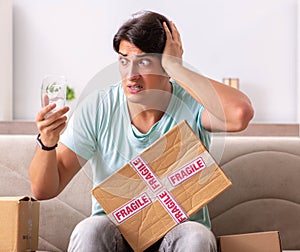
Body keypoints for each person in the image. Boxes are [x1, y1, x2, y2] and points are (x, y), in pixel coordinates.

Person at [30, 10, 254, 252]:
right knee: (89, 230)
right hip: (116, 230)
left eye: (144, 61)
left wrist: (177, 69)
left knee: (197, 236)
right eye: (124, 60)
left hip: (179, 230)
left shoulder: (191, 103)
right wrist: (47, 142)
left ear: (166, 64)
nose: (131, 76)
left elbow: (240, 115)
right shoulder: (99, 107)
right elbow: (44, 190)